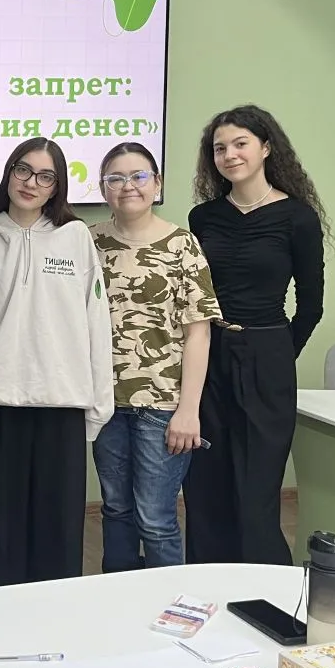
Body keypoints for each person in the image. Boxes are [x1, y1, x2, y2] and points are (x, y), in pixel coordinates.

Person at [0, 137, 114, 587]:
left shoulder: (76, 238)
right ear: (9, 172)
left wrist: (98, 408)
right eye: (23, 169)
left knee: (58, 535)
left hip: (61, 405)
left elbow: (96, 327)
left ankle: (53, 620)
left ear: (57, 186)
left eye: (45, 176)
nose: (31, 182)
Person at [185, 105, 326, 566]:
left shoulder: (298, 218)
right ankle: (209, 584)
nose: (229, 155)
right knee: (206, 485)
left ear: (266, 147)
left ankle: (265, 589)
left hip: (267, 355)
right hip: (209, 354)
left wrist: (278, 353)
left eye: (240, 143)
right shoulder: (203, 218)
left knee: (257, 490)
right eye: (219, 148)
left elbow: (311, 305)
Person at [90, 143, 221, 572]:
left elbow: (199, 333)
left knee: (155, 518)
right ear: (103, 188)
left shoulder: (182, 244)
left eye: (139, 176)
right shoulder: (88, 242)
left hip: (163, 407)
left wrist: (189, 411)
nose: (128, 186)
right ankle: (116, 597)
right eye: (116, 178)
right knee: (115, 509)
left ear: (157, 184)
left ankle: (169, 602)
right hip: (104, 403)